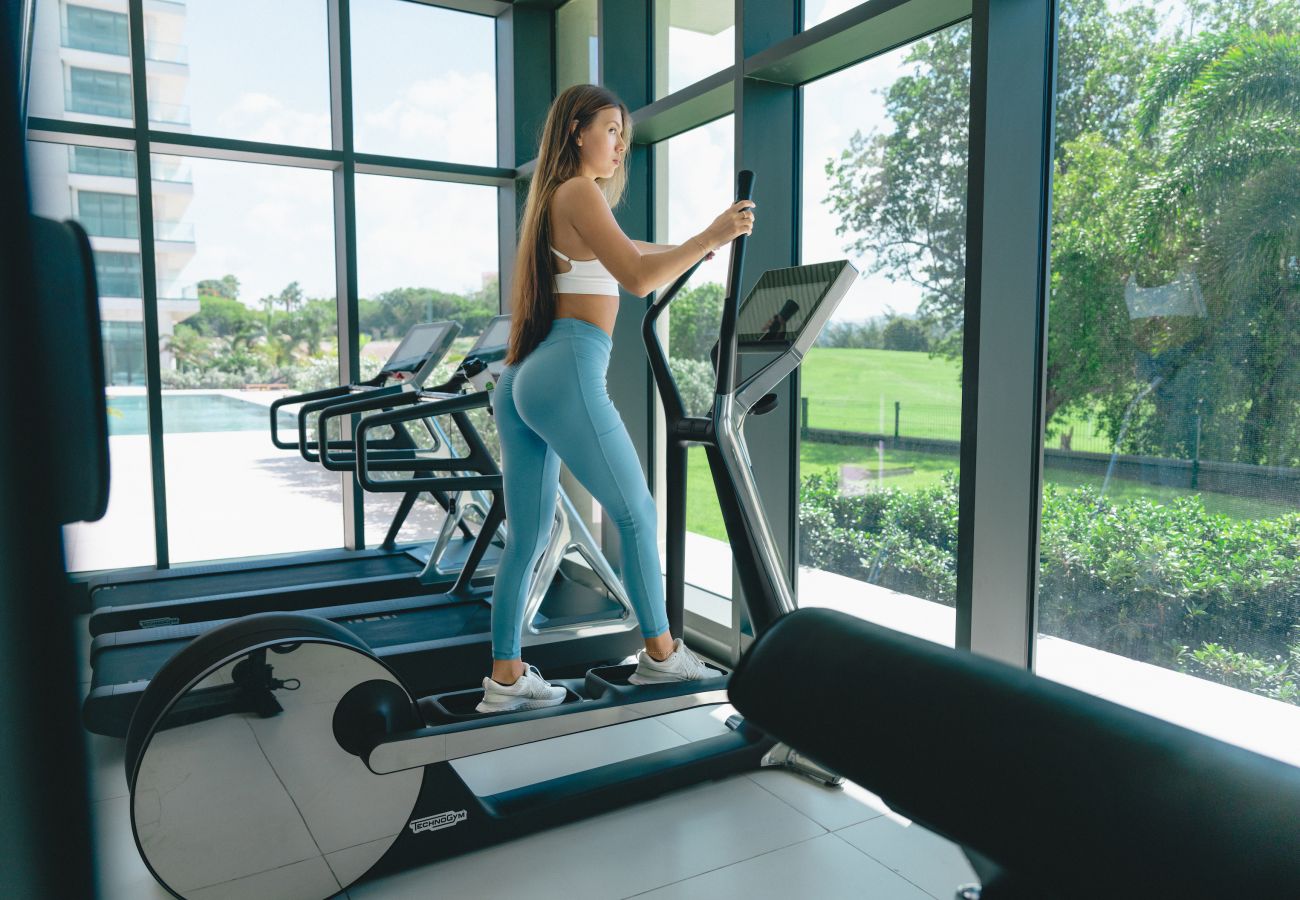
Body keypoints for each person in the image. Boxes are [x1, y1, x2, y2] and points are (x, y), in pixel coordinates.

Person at [476, 83, 756, 713]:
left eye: (623, 133)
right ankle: (662, 656)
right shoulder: (579, 192)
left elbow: (640, 255)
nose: (619, 144)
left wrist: (710, 242)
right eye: (610, 129)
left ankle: (505, 679)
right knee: (635, 514)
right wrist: (711, 231)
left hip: (526, 376)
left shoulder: (558, 201)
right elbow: (636, 278)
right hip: (569, 366)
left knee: (526, 539)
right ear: (576, 131)